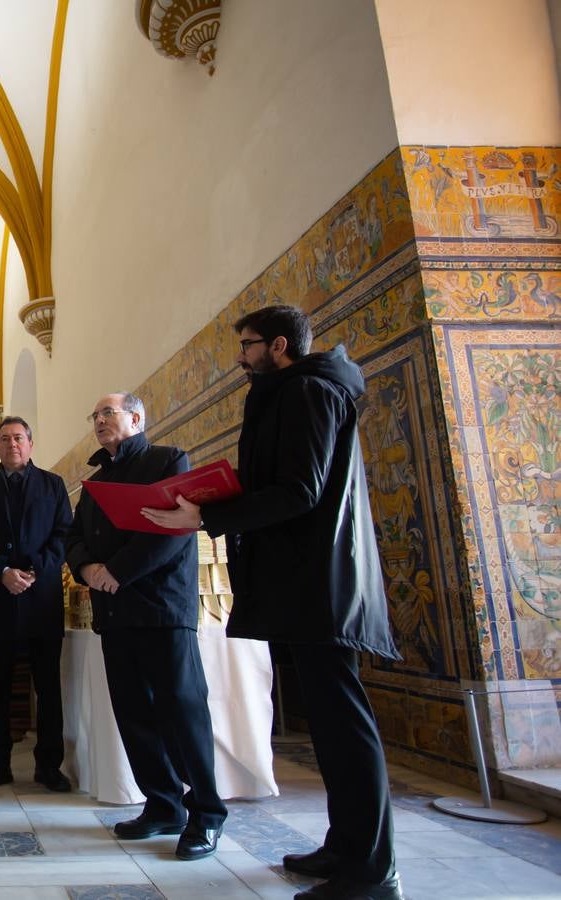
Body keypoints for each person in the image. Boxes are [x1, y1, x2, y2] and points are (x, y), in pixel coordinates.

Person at [143, 305, 402, 900]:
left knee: (347, 726)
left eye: (248, 345)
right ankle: (346, 845)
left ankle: (372, 871)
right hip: (306, 585)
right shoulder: (295, 390)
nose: (241, 357)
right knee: (330, 729)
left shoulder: (309, 391)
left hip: (324, 587)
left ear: (279, 345)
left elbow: (300, 490)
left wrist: (207, 514)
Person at [65, 393, 227, 861]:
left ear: (136, 417)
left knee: (182, 712)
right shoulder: (96, 482)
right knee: (134, 714)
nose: (99, 420)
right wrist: (87, 570)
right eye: (94, 414)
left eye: (107, 413)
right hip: (114, 615)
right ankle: (163, 804)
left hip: (161, 610)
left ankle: (206, 815)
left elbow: (171, 530)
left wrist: (116, 571)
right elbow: (74, 538)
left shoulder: (168, 460)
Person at [0, 416, 73, 793]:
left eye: (19, 438)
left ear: (30, 443)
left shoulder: (53, 485)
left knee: (47, 687)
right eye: (5, 438)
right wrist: (3, 572)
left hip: (41, 601)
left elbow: (63, 537)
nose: (12, 444)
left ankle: (49, 766)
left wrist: (32, 572)